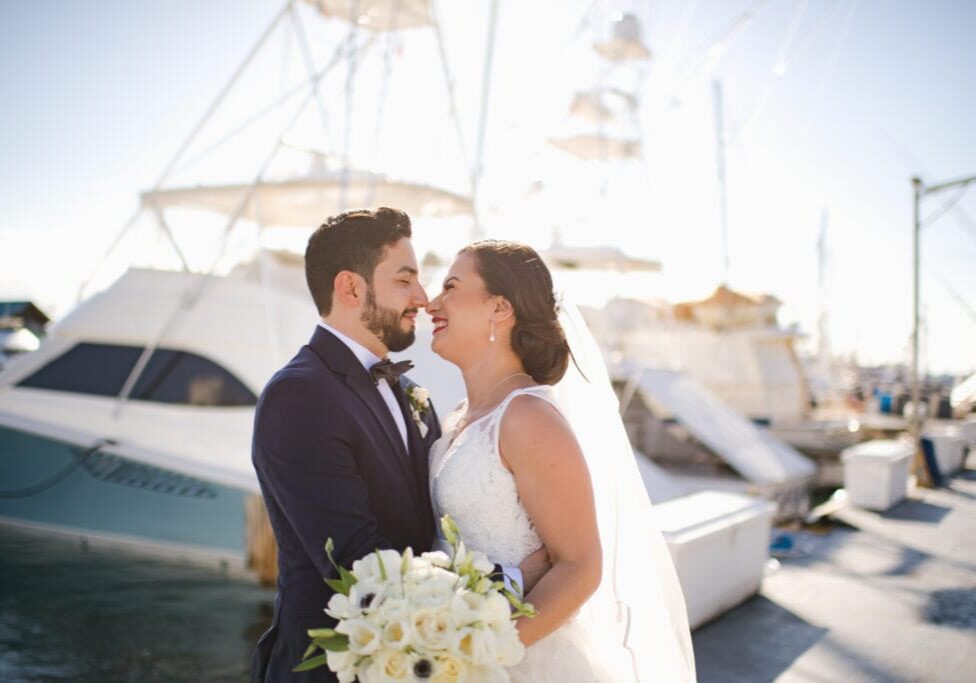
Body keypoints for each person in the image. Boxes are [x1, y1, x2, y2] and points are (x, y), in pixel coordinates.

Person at [249, 208, 548, 682]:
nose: (423, 298)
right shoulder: (299, 394)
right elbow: (361, 565)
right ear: (350, 288)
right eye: (404, 281)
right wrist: (513, 580)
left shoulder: (410, 393)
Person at [427, 240, 697, 682]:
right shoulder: (458, 416)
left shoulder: (528, 417)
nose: (432, 303)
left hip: (521, 661)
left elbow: (580, 565)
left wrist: (482, 654)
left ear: (499, 307)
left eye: (451, 287)